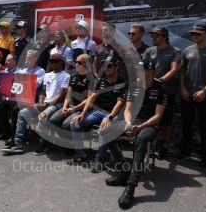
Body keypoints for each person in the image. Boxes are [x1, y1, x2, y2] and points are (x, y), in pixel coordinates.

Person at [105, 58, 167, 209]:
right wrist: (128, 124)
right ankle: (123, 169)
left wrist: (139, 127)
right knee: (106, 131)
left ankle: (131, 186)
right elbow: (127, 109)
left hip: (150, 124)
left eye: (142, 70)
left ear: (150, 71)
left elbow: (158, 116)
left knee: (141, 138)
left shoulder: (160, 88)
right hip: (133, 121)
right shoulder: (134, 86)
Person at [1, 53, 69, 155]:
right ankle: (17, 144)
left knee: (42, 116)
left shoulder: (65, 76)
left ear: (61, 62)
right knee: (22, 113)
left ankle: (43, 144)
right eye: (51, 61)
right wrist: (41, 102)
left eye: (56, 61)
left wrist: (46, 106)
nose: (53, 63)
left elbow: (61, 95)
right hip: (44, 103)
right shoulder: (47, 75)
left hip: (56, 105)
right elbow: (43, 92)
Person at [175, 22, 206, 169]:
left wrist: (205, 91)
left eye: (197, 33)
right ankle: (184, 152)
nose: (194, 36)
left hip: (204, 97)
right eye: (192, 33)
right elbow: (182, 71)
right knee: (186, 125)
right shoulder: (187, 50)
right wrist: (182, 88)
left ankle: (205, 158)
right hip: (187, 94)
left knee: (205, 128)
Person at [70, 55, 127, 173]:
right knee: (74, 123)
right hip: (98, 112)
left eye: (109, 66)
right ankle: (80, 154)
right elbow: (91, 99)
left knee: (103, 129)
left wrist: (110, 117)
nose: (106, 69)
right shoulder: (101, 81)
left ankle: (100, 160)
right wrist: (83, 113)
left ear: (116, 67)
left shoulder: (123, 83)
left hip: (112, 114)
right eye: (104, 66)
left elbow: (120, 103)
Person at [143, 26, 182, 159]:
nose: (153, 38)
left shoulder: (175, 51)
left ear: (164, 37)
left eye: (157, 35)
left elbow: (175, 69)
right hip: (150, 91)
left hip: (167, 90)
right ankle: (149, 144)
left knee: (166, 121)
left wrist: (160, 80)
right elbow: (143, 68)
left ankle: (164, 145)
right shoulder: (149, 50)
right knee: (150, 117)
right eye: (152, 35)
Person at [49, 53, 94, 163]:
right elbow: (68, 95)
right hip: (70, 106)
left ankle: (77, 151)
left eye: (79, 62)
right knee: (53, 120)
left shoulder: (92, 79)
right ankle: (69, 144)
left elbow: (89, 99)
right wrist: (65, 106)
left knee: (66, 124)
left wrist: (73, 109)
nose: (76, 64)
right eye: (76, 62)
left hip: (82, 109)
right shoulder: (73, 77)